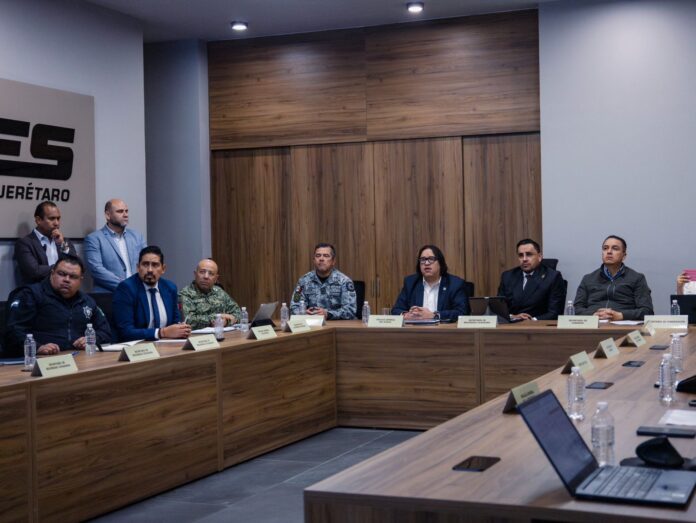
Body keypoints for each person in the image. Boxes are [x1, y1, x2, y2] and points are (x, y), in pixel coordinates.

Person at [4, 254, 111, 356]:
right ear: (52, 273)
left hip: (80, 357)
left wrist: (93, 339)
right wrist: (37, 347)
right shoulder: (30, 295)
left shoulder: (87, 301)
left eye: (73, 277)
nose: (66, 280)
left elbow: (105, 331)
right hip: (39, 359)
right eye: (61, 274)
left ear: (80, 280)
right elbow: (13, 331)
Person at [112, 245, 191, 341]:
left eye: (155, 265)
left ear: (163, 269)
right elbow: (126, 332)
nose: (149, 270)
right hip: (138, 346)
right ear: (138, 267)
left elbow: (176, 322)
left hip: (166, 344)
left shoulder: (170, 288)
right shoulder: (126, 289)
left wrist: (181, 330)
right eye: (145, 264)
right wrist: (161, 332)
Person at [574, 235, 654, 320]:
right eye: (605, 248)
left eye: (615, 248)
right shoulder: (588, 279)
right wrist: (594, 315)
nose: (609, 252)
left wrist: (621, 315)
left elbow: (647, 311)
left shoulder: (637, 278)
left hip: (623, 325)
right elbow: (577, 308)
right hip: (594, 324)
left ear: (624, 256)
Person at [391, 245, 470, 321]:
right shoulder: (410, 283)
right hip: (415, 329)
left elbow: (462, 312)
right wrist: (406, 315)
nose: (426, 263)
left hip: (443, 329)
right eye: (423, 259)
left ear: (440, 263)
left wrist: (434, 315)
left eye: (431, 259)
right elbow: (396, 310)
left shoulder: (455, 284)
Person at [84, 199, 147, 292]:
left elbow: (147, 262)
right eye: (120, 211)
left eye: (126, 211)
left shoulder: (137, 236)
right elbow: (96, 269)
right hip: (109, 294)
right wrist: (126, 287)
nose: (125, 215)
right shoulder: (94, 239)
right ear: (108, 215)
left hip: (138, 292)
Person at [497, 239, 566, 321]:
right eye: (521, 255)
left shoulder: (552, 277)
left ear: (539, 257)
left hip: (538, 325)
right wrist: (513, 316)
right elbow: (499, 308)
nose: (524, 259)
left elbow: (555, 312)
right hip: (510, 325)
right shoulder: (508, 276)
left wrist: (531, 320)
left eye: (529, 254)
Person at [14, 201, 76, 284]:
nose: (56, 223)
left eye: (58, 218)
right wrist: (63, 268)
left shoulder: (64, 241)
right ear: (38, 220)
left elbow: (77, 266)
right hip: (39, 290)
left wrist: (62, 244)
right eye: (52, 218)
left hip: (63, 289)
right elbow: (34, 271)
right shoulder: (24, 243)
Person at [290, 243, 357, 319]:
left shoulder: (344, 281)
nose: (321, 259)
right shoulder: (303, 281)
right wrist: (304, 313)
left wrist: (328, 314)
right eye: (318, 255)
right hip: (312, 323)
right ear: (314, 260)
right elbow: (294, 307)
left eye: (326, 256)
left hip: (336, 324)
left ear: (333, 261)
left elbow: (350, 310)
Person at [178, 258, 241, 330]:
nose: (206, 276)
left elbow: (238, 314)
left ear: (216, 278)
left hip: (221, 334)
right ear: (195, 274)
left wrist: (226, 322)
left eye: (211, 274)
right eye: (202, 272)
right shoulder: (185, 293)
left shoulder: (219, 292)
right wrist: (217, 317)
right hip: (198, 336)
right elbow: (188, 321)